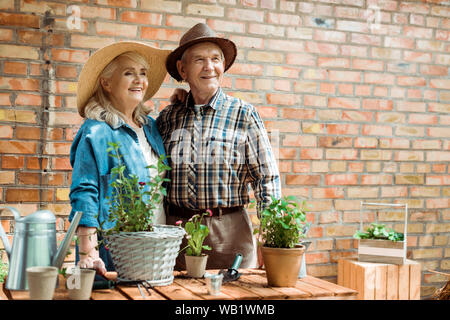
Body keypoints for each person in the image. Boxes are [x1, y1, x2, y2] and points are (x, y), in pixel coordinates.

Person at [157, 23, 281, 270]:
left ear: (223, 66)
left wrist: (270, 234)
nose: (209, 67)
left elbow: (266, 179)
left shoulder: (244, 114)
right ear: (183, 69)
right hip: (177, 235)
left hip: (231, 234)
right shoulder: (168, 117)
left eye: (215, 59)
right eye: (199, 60)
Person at [68, 42, 170, 276]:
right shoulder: (96, 132)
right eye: (128, 73)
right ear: (106, 82)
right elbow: (85, 192)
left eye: (143, 73)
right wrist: (88, 252)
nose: (139, 80)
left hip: (155, 246)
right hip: (115, 251)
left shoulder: (150, 127)